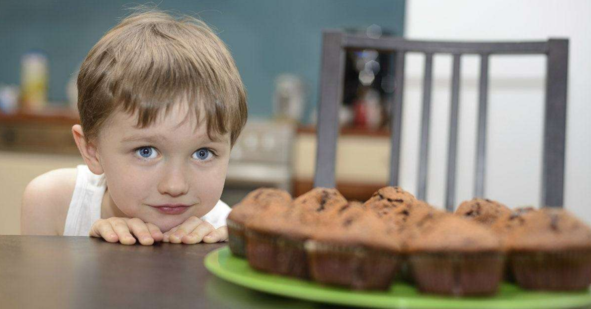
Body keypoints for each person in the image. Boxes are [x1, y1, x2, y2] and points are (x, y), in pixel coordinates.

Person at [20, 9, 248, 246]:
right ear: (92, 150)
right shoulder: (54, 204)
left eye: (203, 153)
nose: (175, 185)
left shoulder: (227, 234)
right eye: (146, 151)